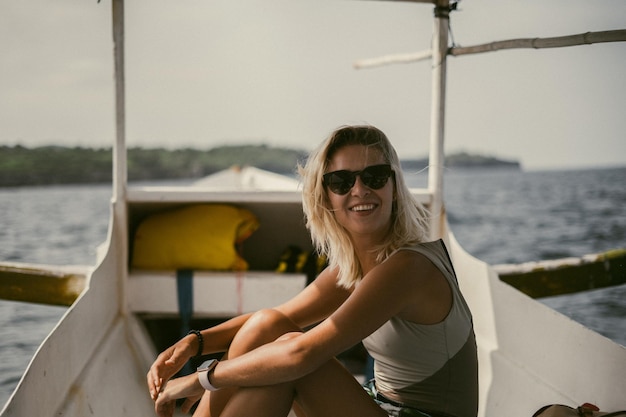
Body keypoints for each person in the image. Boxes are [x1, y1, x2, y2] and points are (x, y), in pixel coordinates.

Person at [146, 125, 478, 417]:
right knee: (269, 326)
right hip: (381, 406)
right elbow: (266, 322)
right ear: (326, 196)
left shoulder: (408, 268)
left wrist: (200, 377)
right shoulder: (356, 269)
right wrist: (194, 343)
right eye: (342, 181)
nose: (359, 190)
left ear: (393, 186)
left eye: (374, 177)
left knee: (292, 363)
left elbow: (300, 355)